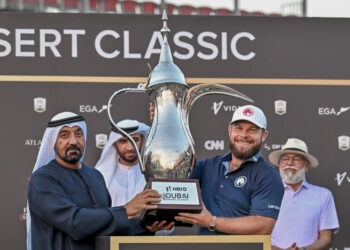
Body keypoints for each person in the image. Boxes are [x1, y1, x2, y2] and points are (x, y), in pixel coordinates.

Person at [27, 112, 169, 250]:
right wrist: (126, 210)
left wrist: (145, 226)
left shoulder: (95, 176)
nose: (73, 141)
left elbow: (105, 228)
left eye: (78, 134)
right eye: (64, 135)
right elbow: (74, 223)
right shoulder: (43, 179)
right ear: (53, 140)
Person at [172, 104, 284, 235]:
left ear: (264, 135)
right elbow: (175, 177)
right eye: (239, 128)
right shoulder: (209, 165)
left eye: (252, 130)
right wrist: (168, 123)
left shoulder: (268, 175)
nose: (244, 135)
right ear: (230, 130)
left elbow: (263, 227)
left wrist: (211, 221)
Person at [95, 119, 174, 234]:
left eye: (134, 140)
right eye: (123, 141)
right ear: (114, 143)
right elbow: (97, 219)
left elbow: (166, 220)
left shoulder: (156, 173)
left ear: (142, 140)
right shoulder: (100, 175)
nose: (130, 147)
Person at [268, 138, 339, 250]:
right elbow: (257, 238)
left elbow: (326, 239)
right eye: (285, 159)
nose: (290, 163)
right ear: (279, 164)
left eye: (296, 159)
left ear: (306, 166)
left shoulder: (323, 195)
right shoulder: (264, 194)